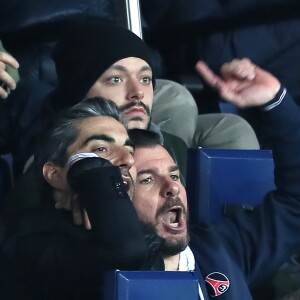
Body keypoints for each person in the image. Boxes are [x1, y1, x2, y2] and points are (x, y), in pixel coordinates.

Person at [0, 16, 259, 180]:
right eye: (116, 79)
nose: (137, 92)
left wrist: (274, 103)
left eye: (145, 79)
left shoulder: (170, 143)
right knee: (178, 99)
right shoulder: (53, 166)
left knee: (232, 128)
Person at [128, 58, 300, 299]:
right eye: (147, 180)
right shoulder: (98, 279)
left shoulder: (220, 248)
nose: (172, 188)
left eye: (175, 175)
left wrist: (276, 102)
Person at [1, 96, 163, 299]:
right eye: (100, 149)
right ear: (56, 175)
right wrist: (94, 178)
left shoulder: (142, 235)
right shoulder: (27, 242)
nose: (128, 160)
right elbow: (126, 252)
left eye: (129, 150)